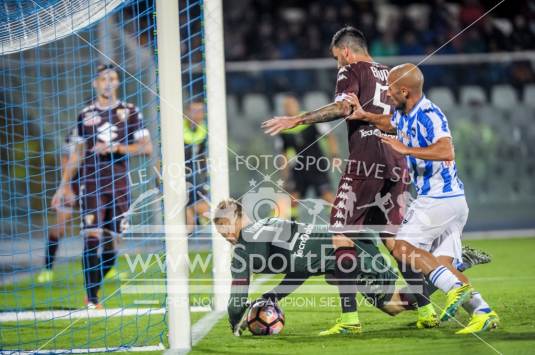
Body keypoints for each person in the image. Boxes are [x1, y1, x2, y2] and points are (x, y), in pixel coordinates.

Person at [262, 26, 416, 334]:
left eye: (336, 58)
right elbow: (404, 119)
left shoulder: (352, 69)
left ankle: (349, 319)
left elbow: (343, 107)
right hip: (397, 160)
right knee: (393, 240)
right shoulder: (392, 73)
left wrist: (297, 118)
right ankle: (428, 306)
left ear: (346, 51)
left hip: (366, 159)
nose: (338, 65)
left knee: (340, 234)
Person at [344, 63, 499, 334]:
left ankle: (455, 288)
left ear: (405, 90)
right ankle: (483, 313)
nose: (387, 94)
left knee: (402, 247)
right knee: (442, 264)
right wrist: (364, 115)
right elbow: (390, 124)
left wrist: (406, 149)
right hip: (452, 202)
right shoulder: (403, 113)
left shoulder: (429, 114)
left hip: (439, 198)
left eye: (390, 89)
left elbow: (446, 150)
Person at [212, 199, 492, 336]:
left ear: (238, 219)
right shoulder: (270, 225)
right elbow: (302, 267)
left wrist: (235, 321)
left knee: (392, 304)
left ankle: (453, 263)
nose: (225, 235)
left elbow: (238, 292)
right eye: (220, 231)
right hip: (354, 243)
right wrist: (273, 296)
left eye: (225, 227)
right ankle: (450, 265)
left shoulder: (246, 243)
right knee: (392, 305)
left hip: (353, 249)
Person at [51, 64, 153, 308]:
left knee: (111, 244)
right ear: (95, 84)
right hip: (92, 185)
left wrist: (117, 148)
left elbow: (146, 148)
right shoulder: (85, 115)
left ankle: (94, 287)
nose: (108, 82)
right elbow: (76, 155)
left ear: (118, 83)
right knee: (91, 238)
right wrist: (63, 187)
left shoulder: (130, 112)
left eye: (113, 78)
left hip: (119, 187)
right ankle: (92, 299)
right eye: (104, 79)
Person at [274, 94, 338, 220]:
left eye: (291, 104)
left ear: (297, 104)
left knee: (328, 196)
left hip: (317, 165)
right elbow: (283, 154)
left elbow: (329, 136)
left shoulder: (310, 118)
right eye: (286, 106)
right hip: (299, 168)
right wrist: (285, 176)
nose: (289, 108)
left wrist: (335, 154)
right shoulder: (282, 129)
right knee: (292, 198)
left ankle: (338, 225)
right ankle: (293, 228)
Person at [183, 99, 210, 233]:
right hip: (179, 177)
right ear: (186, 113)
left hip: (199, 178)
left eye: (201, 111)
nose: (198, 114)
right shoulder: (176, 130)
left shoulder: (208, 130)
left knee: (205, 211)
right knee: (189, 223)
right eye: (194, 111)